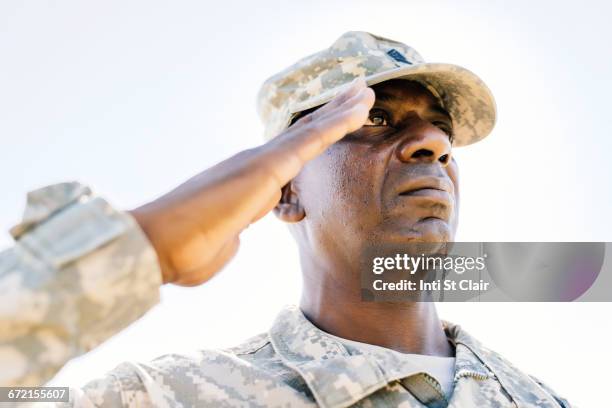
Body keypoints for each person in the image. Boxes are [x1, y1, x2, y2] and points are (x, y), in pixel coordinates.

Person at [0, 31, 571, 407]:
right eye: (372, 120)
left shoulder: (544, 401)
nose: (431, 144)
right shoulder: (166, 396)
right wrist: (147, 247)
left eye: (439, 130)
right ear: (285, 189)